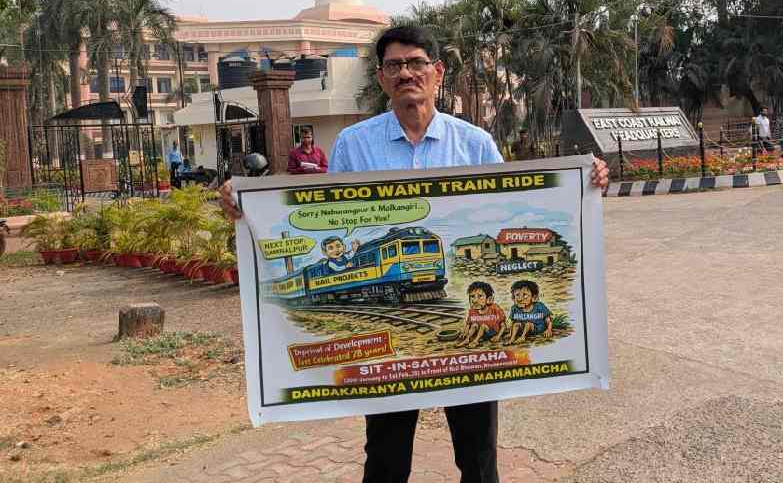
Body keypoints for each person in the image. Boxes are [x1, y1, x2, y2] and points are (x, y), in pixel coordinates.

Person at [219, 25, 609, 483]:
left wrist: (586, 183)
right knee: (386, 456)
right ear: (381, 77)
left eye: (416, 63)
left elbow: (515, 205)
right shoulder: (354, 144)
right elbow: (325, 214)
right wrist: (245, 204)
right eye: (394, 65)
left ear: (437, 71)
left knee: (479, 454)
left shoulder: (475, 143)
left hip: (470, 361)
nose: (406, 73)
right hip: (385, 358)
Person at [457, 281, 507, 349]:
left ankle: (475, 341)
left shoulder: (494, 308)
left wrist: (498, 336)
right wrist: (465, 332)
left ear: (489, 299)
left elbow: (503, 325)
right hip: (479, 332)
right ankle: (467, 339)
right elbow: (468, 323)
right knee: (474, 325)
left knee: (483, 326)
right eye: (472, 296)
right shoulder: (472, 311)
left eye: (480, 296)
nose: (475, 301)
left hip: (491, 332)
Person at [506, 279, 553, 344]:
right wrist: (510, 332)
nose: (520, 299)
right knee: (516, 324)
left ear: (534, 298)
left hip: (536, 329)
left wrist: (549, 329)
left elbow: (548, 320)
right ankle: (512, 339)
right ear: (513, 297)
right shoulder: (514, 308)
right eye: (517, 295)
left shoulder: (539, 306)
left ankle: (523, 337)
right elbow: (512, 322)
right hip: (522, 328)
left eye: (525, 295)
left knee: (528, 324)